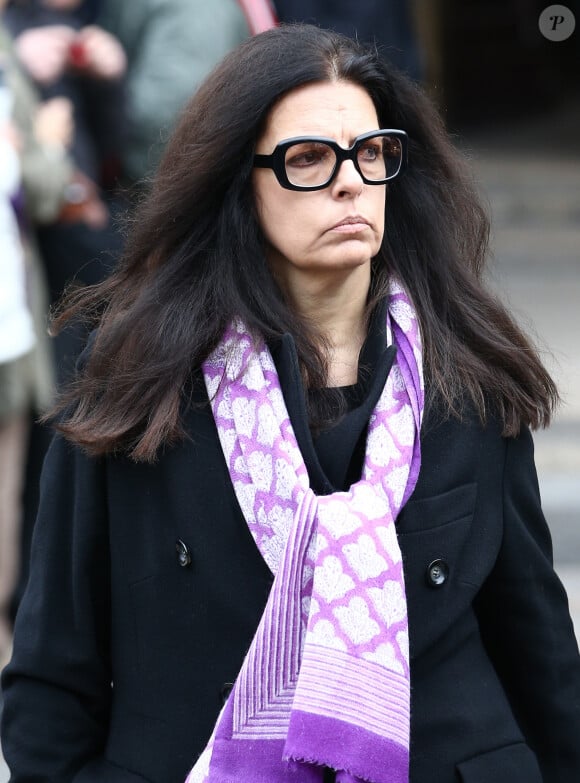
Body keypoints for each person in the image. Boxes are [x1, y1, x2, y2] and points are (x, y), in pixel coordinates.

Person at [1, 22, 579, 783]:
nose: (350, 181)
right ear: (237, 182)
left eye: (371, 154)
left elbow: (537, 649)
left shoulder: (464, 370)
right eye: (309, 159)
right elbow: (53, 678)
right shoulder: (136, 380)